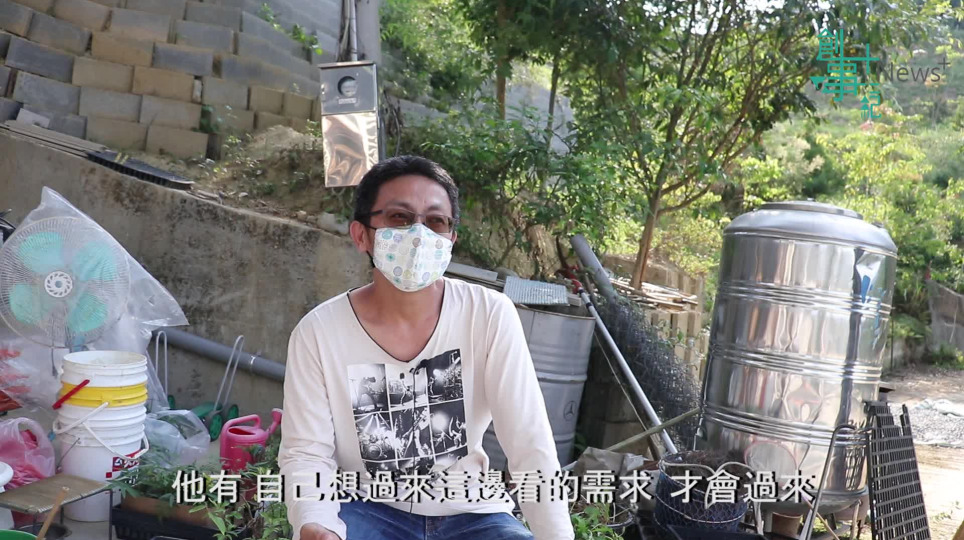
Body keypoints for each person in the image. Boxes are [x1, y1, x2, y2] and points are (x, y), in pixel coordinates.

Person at [279, 156, 574, 540]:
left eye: (435, 221)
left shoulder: (488, 315)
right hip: (366, 508)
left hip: (471, 513)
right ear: (361, 235)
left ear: (451, 240)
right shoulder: (318, 333)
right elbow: (307, 453)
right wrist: (317, 523)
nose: (418, 235)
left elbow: (529, 442)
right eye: (399, 218)